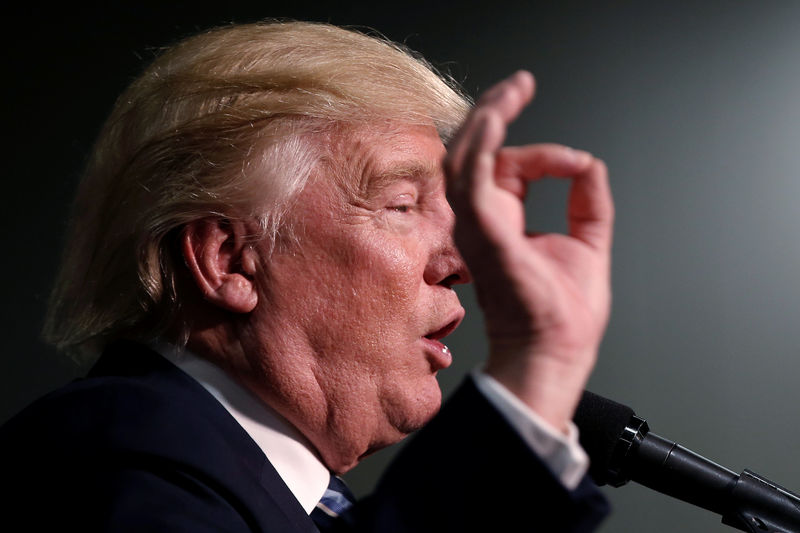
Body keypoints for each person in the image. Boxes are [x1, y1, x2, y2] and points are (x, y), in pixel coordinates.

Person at [0, 20, 614, 532]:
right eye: (402, 205)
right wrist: (537, 371)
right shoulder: (110, 469)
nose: (463, 264)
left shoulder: (283, 503)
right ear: (230, 260)